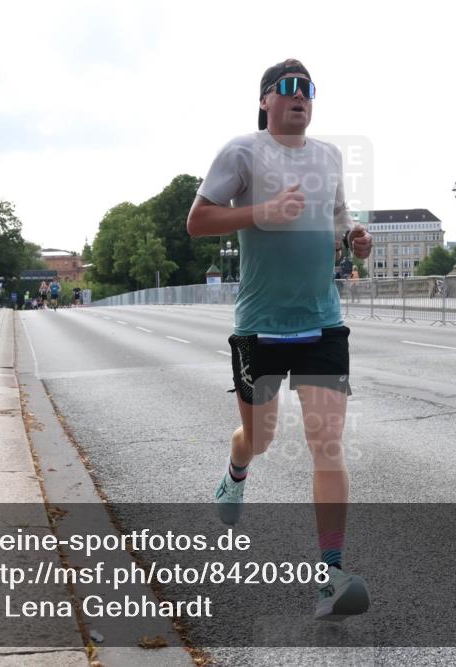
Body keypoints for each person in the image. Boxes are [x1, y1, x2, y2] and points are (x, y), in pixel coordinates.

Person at [187, 58, 373, 621]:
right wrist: (260, 211)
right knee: (260, 439)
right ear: (265, 99)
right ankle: (235, 473)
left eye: (308, 90)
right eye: (288, 89)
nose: (300, 98)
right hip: (261, 326)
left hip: (321, 321)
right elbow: (198, 220)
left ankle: (331, 576)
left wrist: (355, 241)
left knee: (328, 444)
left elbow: (339, 221)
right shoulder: (242, 152)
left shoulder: (328, 157)